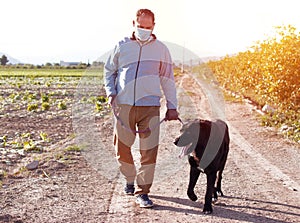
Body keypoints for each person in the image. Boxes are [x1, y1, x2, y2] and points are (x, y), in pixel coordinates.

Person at [104, 8, 178, 208]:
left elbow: (167, 79)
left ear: (153, 26)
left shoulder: (161, 49)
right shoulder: (122, 46)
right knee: (122, 148)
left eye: (148, 26)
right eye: (140, 26)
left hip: (150, 107)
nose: (144, 30)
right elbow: (109, 71)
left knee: (149, 151)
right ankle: (129, 177)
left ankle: (142, 192)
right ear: (133, 24)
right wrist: (111, 93)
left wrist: (172, 106)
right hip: (124, 105)